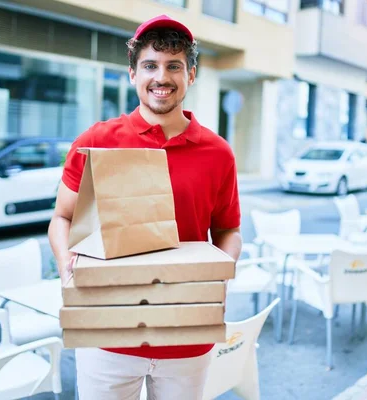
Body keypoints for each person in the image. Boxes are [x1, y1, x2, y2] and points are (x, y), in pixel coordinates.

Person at [48, 14, 242, 400]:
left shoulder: (218, 153)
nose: (162, 77)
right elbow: (62, 217)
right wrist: (65, 264)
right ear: (132, 74)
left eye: (174, 66)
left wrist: (219, 274)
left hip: (187, 336)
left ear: (192, 74)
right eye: (150, 65)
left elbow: (228, 230)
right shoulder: (96, 140)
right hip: (107, 334)